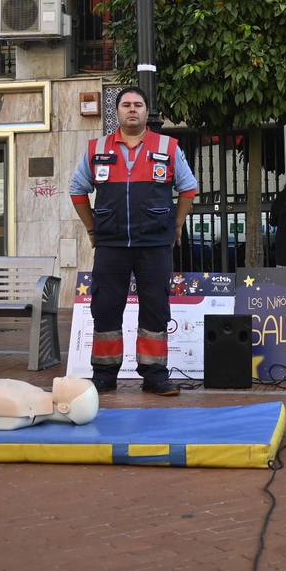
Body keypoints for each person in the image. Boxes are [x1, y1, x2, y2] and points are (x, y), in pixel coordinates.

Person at [68, 87, 198, 396]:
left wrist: (176, 225)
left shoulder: (167, 146)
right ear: (117, 112)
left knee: (155, 309)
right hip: (111, 245)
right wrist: (91, 230)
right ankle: (104, 374)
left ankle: (155, 375)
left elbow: (188, 187)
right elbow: (77, 190)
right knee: (106, 308)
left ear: (146, 111)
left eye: (138, 105)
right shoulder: (96, 148)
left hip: (154, 244)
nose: (132, 109)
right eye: (126, 104)